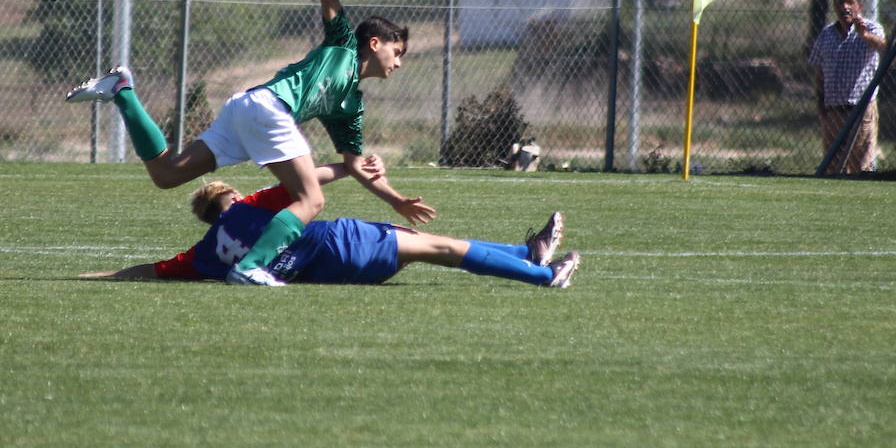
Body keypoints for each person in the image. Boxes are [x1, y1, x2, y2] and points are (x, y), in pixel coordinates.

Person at [66, 0, 435, 287]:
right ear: (374, 44)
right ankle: (252, 267)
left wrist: (396, 200)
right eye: (397, 51)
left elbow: (355, 165)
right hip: (267, 108)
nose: (398, 62)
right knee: (310, 200)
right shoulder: (342, 45)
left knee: (167, 174)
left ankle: (122, 91)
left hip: (245, 108)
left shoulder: (350, 105)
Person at [78, 168, 581, 289]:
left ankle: (526, 251)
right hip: (342, 241)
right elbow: (309, 178)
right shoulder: (251, 204)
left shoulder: (208, 252)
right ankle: (543, 277)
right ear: (227, 198)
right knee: (443, 246)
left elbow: (151, 269)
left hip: (337, 269)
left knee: (429, 248)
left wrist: (99, 277)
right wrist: (352, 166)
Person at [808, 0, 887, 174]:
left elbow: (884, 46)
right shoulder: (826, 34)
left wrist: (865, 35)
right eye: (840, 2)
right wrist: (821, 104)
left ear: (859, 6)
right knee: (833, 167)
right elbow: (819, 71)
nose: (845, 7)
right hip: (833, 110)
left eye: (850, 2)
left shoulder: (871, 28)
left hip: (861, 108)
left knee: (861, 167)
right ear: (834, 6)